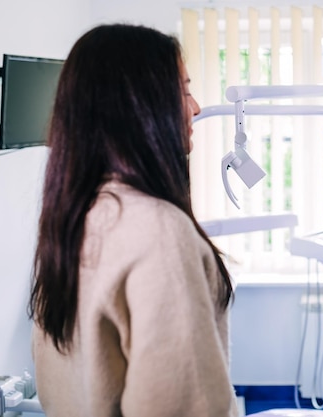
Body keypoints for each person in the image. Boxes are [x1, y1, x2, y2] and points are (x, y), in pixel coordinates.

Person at [28, 24, 238, 417]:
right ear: (140, 105)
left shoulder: (73, 220)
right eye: (184, 91)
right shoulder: (158, 230)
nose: (195, 107)